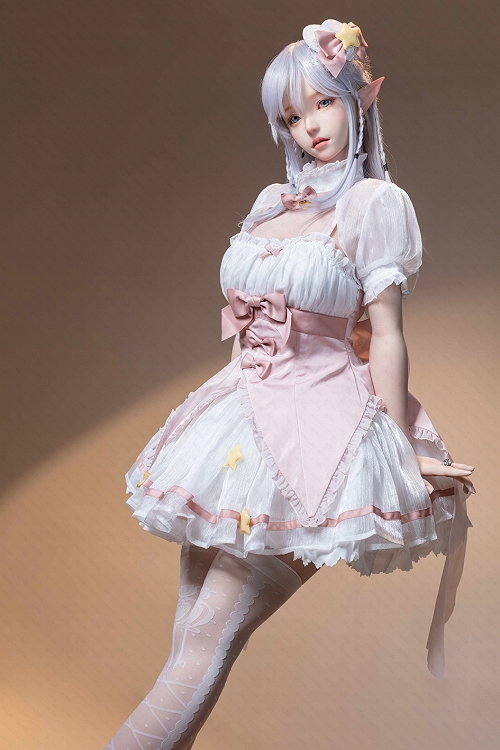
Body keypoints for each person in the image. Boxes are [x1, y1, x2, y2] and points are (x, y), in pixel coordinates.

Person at [104, 19, 475, 750]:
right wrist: (209, 418)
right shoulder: (274, 202)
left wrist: (402, 448)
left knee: (206, 637)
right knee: (189, 639)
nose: (310, 126)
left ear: (357, 99)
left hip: (320, 437)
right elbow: (247, 333)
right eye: (292, 115)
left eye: (323, 103)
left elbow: (385, 334)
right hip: (235, 428)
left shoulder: (375, 204)